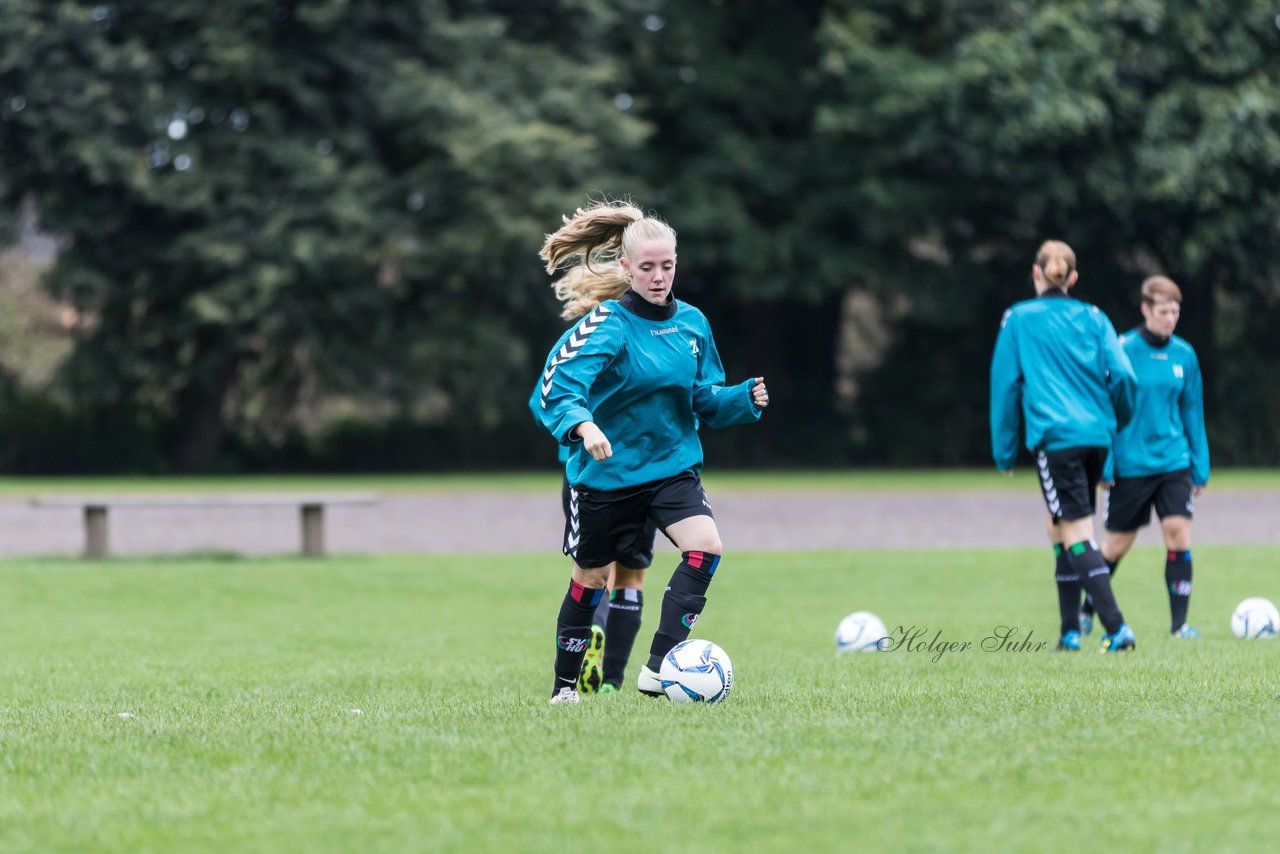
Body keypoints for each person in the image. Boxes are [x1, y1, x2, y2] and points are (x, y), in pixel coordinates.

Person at [531, 199, 768, 704]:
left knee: (706, 548)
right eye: (647, 267)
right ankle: (565, 688)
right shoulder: (607, 324)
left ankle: (660, 667)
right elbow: (556, 385)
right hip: (606, 476)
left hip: (671, 468)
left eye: (667, 266)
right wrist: (583, 424)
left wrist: (741, 399)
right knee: (591, 580)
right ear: (625, 268)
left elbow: (704, 398)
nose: (659, 277)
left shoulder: (693, 324)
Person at [990, 240, 1139, 652]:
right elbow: (1124, 376)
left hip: (1058, 440)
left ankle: (1115, 627)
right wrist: (1115, 422)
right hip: (1095, 437)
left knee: (1075, 531)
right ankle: (1069, 632)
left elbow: (1005, 387)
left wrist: (1004, 451)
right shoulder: (1094, 316)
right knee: (1057, 525)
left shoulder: (1019, 318)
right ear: (1072, 278)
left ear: (1036, 273)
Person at [532, 261, 658, 695]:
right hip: (645, 469)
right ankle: (614, 680)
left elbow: (549, 399)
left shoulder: (581, 341)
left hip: (587, 472)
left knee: (591, 573)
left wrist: (577, 434)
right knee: (632, 577)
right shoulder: (645, 342)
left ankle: (593, 631)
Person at [1081, 276, 1209, 639]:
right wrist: (1104, 464)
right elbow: (1105, 410)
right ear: (1145, 309)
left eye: (1175, 312)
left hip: (1173, 462)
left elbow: (1192, 410)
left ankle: (1179, 625)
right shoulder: (1121, 349)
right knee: (1117, 546)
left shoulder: (1185, 354)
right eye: (1164, 311)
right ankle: (1089, 607)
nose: (1171, 319)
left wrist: (1200, 464)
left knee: (1178, 535)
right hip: (1130, 465)